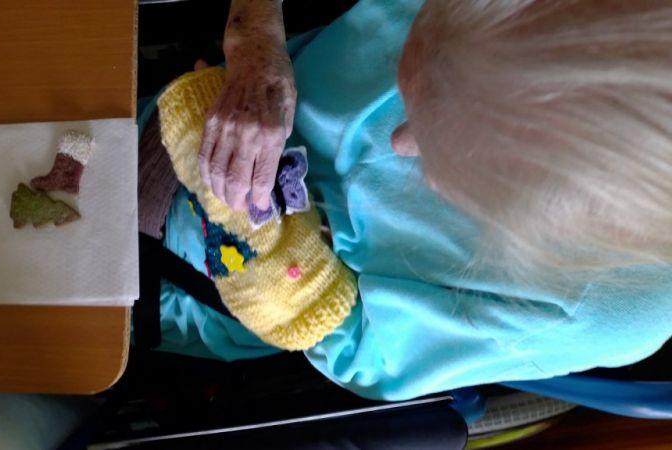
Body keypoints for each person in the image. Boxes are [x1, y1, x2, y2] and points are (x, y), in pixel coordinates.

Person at [139, 0, 672, 400]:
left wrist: (268, 252)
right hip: (205, 87)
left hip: (185, 283)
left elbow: (365, 356)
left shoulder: (616, 307)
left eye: (442, 148)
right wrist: (255, 38)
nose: (397, 142)